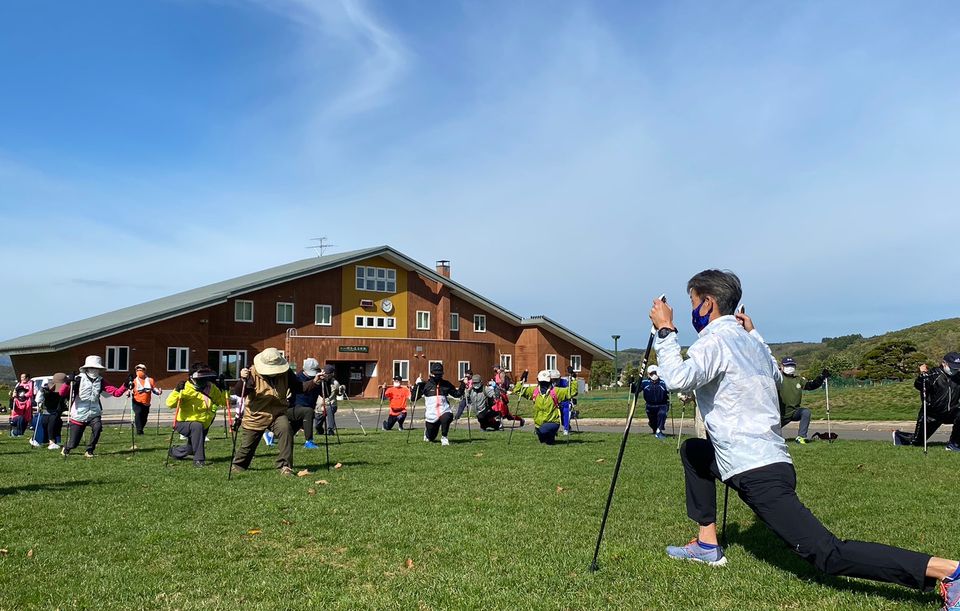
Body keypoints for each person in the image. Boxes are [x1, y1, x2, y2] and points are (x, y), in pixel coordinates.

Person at [649, 269, 960, 609]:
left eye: (693, 302)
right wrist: (753, 332)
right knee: (694, 451)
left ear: (708, 303)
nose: (691, 311)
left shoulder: (714, 341)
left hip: (755, 470)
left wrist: (665, 330)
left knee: (827, 554)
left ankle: (950, 571)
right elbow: (774, 372)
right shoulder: (750, 342)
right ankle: (707, 545)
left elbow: (677, 379)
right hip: (764, 460)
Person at [231, 348, 312, 475]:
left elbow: (299, 387)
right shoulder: (252, 373)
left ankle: (285, 466)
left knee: (286, 430)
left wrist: (315, 381)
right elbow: (239, 392)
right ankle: (239, 465)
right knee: (247, 446)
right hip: (256, 414)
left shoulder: (286, 372)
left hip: (277, 412)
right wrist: (242, 380)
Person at [62, 355, 127, 457]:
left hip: (94, 412)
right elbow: (62, 393)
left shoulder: (101, 381)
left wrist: (125, 385)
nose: (94, 370)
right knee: (74, 443)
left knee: (97, 427)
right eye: (92, 368)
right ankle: (67, 447)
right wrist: (67, 382)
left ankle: (90, 450)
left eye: (96, 368)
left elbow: (116, 393)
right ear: (87, 368)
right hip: (78, 413)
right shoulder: (78, 379)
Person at [893, 353, 960, 450]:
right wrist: (922, 375)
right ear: (944, 363)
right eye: (952, 368)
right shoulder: (933, 374)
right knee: (916, 442)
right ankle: (898, 435)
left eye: (957, 368)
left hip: (950, 412)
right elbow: (918, 385)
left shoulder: (958, 377)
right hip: (931, 415)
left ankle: (954, 445)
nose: (954, 370)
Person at [166, 364, 227, 467]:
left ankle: (174, 452)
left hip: (205, 423)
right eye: (200, 378)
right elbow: (170, 404)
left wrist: (225, 390)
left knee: (192, 448)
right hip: (183, 423)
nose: (203, 381)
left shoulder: (211, 388)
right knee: (196, 426)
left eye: (205, 378)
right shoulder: (185, 387)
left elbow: (223, 402)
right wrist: (176, 391)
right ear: (192, 378)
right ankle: (199, 460)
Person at [512, 369, 577, 445]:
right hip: (538, 424)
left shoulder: (556, 391)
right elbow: (517, 391)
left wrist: (573, 378)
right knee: (544, 441)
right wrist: (522, 380)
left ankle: (550, 432)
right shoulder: (534, 391)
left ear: (550, 381)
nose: (544, 383)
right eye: (542, 381)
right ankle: (551, 436)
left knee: (543, 430)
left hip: (552, 422)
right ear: (538, 380)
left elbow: (572, 392)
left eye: (545, 381)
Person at [776, 357, 826, 444]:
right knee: (767, 433)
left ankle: (801, 437)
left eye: (792, 365)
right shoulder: (778, 378)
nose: (790, 367)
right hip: (780, 414)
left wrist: (821, 377)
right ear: (781, 366)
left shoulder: (798, 379)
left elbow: (811, 385)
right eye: (787, 366)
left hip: (794, 412)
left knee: (806, 412)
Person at [413, 362, 465, 446]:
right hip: (431, 415)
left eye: (440, 374)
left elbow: (457, 394)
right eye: (436, 374)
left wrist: (463, 384)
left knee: (448, 416)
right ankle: (427, 433)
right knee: (431, 438)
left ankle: (444, 437)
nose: (438, 376)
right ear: (431, 373)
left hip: (444, 410)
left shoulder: (446, 384)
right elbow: (413, 398)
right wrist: (416, 385)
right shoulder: (425, 385)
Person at [289, 358, 323, 449]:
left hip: (308, 407)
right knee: (308, 412)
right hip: (296, 407)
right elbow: (302, 389)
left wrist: (325, 382)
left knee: (289, 431)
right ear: (304, 369)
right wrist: (314, 382)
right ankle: (309, 441)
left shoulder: (317, 378)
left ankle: (271, 436)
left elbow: (325, 395)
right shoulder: (297, 378)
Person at [130, 364, 162, 436]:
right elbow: (130, 389)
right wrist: (128, 392)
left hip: (146, 402)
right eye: (137, 370)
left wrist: (159, 392)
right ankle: (139, 431)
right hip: (136, 401)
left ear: (144, 371)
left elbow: (154, 389)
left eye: (140, 370)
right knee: (138, 414)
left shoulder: (150, 380)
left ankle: (141, 429)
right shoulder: (134, 381)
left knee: (144, 417)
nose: (139, 372)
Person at [640, 364, 670, 440]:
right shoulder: (644, 382)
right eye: (651, 373)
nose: (654, 375)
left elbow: (671, 389)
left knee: (662, 414)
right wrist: (633, 385)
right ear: (648, 374)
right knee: (653, 421)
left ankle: (659, 431)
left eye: (655, 373)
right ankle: (654, 427)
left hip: (662, 404)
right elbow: (636, 390)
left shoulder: (664, 382)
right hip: (650, 405)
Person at [40, 373, 69, 449]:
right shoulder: (47, 391)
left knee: (56, 421)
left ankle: (54, 440)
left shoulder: (65, 391)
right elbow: (39, 399)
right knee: (51, 421)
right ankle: (50, 440)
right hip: (49, 411)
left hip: (56, 411)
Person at [313, 365, 341, 437]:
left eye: (328, 374)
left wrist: (342, 389)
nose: (326, 375)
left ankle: (330, 430)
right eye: (325, 373)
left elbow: (339, 393)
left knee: (329, 410)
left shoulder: (335, 383)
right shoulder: (319, 381)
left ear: (332, 374)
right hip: (320, 405)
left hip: (331, 403)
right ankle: (319, 430)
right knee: (317, 424)